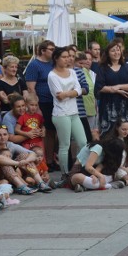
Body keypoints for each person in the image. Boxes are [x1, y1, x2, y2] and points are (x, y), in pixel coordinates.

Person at [48, 47, 88, 179]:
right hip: (61, 114)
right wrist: (73, 93)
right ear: (56, 58)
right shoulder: (52, 75)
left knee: (83, 142)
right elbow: (59, 96)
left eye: (68, 57)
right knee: (65, 145)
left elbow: (80, 89)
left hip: (74, 112)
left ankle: (80, 168)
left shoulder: (72, 72)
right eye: (64, 57)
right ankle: (64, 173)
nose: (68, 59)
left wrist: (68, 93)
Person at [23, 41, 57, 165]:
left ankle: (51, 158)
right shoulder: (34, 65)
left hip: (55, 102)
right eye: (51, 49)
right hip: (42, 102)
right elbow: (31, 88)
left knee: (53, 131)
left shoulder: (53, 64)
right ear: (43, 51)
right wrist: (36, 107)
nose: (54, 51)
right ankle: (45, 160)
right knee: (46, 131)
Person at [95, 39, 128, 136]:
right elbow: (99, 87)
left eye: (118, 50)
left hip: (125, 105)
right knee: (108, 135)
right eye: (113, 50)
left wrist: (118, 87)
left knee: (125, 134)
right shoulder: (103, 68)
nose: (116, 52)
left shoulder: (127, 67)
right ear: (108, 53)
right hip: (108, 106)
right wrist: (117, 91)